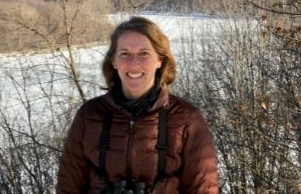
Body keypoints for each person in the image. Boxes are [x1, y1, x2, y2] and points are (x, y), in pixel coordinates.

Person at [55, 17, 219, 193]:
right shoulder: (89, 115)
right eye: (125, 54)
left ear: (160, 60)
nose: (134, 63)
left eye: (144, 53)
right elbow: (68, 187)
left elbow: (203, 189)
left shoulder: (186, 118)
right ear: (114, 61)